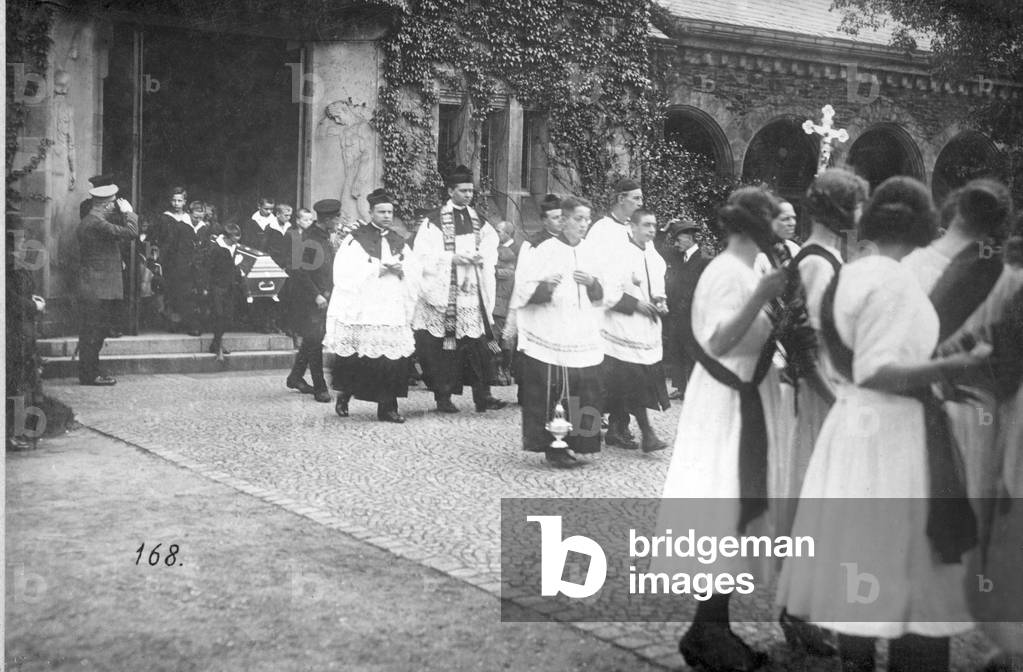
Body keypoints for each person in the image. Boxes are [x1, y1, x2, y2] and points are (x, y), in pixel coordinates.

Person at [777, 176, 984, 672]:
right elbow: (877, 369)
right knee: (909, 571)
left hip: (855, 427)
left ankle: (860, 659)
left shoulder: (852, 272)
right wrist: (952, 367)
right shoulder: (891, 279)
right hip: (892, 434)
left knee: (864, 559)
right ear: (922, 223)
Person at [657, 187, 788, 671]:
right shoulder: (726, 272)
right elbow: (716, 339)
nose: (780, 230)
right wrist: (761, 297)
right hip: (726, 404)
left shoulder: (749, 269)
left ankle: (712, 627)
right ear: (756, 225)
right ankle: (707, 630)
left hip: (747, 398)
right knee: (722, 504)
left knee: (737, 509)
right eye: (773, 221)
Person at [774, 169, 869, 541]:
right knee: (813, 481)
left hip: (829, 383)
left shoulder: (828, 256)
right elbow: (803, 343)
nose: (861, 213)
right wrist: (833, 399)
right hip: (819, 392)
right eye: (857, 204)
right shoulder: (816, 262)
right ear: (839, 209)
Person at [514, 196, 605, 467]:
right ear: (563, 220)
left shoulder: (592, 251)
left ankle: (581, 444)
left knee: (585, 388)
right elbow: (522, 290)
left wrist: (592, 283)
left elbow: (605, 292)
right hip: (552, 332)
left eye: (587, 219)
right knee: (553, 391)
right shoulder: (543, 249)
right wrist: (545, 287)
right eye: (578, 219)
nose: (584, 224)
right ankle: (555, 448)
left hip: (582, 334)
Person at [411, 164, 506, 413]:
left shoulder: (478, 220)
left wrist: (479, 257)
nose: (468, 195)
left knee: (477, 346)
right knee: (445, 348)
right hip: (445, 292)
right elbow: (422, 254)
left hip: (471, 292)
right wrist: (450, 258)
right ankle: (443, 398)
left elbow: (490, 243)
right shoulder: (433, 221)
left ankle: (482, 395)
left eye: (471, 191)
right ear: (450, 191)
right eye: (463, 190)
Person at [326, 189, 419, 423]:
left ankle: (388, 407)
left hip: (391, 304)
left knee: (390, 358)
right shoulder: (356, 239)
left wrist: (402, 270)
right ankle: (344, 395)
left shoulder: (399, 240)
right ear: (371, 212)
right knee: (357, 355)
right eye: (381, 211)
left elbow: (414, 271)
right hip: (365, 305)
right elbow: (344, 273)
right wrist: (376, 269)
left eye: (390, 212)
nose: (387, 216)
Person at [600, 208, 670, 453]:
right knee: (633, 382)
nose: (652, 230)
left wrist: (660, 301)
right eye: (646, 225)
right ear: (633, 227)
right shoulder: (619, 254)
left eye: (654, 225)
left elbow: (658, 285)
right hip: (622, 329)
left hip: (646, 331)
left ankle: (615, 430)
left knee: (625, 384)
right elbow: (607, 293)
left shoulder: (653, 255)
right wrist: (636, 304)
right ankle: (647, 435)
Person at [75, 184, 139, 385]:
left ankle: (89, 372)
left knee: (94, 332)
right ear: (107, 204)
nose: (116, 205)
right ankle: (90, 374)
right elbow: (131, 232)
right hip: (97, 288)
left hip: (95, 287)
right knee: (94, 333)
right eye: (114, 202)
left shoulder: (93, 221)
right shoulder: (96, 224)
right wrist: (129, 213)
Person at [284, 203, 336, 403]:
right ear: (327, 220)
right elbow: (298, 270)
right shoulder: (308, 239)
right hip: (309, 298)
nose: (339, 222)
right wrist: (316, 294)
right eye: (336, 218)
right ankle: (320, 387)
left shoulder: (322, 237)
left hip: (323, 296)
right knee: (315, 341)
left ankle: (295, 377)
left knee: (313, 338)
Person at [7, 215, 47, 449]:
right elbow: (9, 299)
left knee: (25, 379)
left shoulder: (16, 263)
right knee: (15, 381)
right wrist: (33, 306)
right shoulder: (7, 265)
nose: (23, 244)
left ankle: (23, 431)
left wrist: (31, 299)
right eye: (18, 239)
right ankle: (13, 434)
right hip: (13, 332)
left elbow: (19, 292)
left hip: (23, 332)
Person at [663, 218, 712, 401]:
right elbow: (658, 250)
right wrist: (664, 229)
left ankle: (694, 389)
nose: (676, 243)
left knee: (692, 352)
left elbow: (706, 290)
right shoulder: (677, 257)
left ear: (690, 237)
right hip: (676, 314)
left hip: (693, 315)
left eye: (678, 238)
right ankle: (681, 388)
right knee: (676, 351)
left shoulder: (704, 259)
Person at [160, 193, 210, 336]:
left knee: (197, 297)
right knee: (184, 296)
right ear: (190, 213)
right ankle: (189, 325)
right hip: (181, 268)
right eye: (195, 217)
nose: (197, 220)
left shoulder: (204, 229)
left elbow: (206, 248)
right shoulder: (180, 227)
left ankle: (194, 323)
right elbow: (171, 246)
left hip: (198, 269)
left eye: (201, 218)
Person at [202, 221, 244, 361]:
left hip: (230, 286)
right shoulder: (215, 248)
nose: (236, 243)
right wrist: (206, 287)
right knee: (219, 315)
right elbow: (208, 268)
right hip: (217, 286)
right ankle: (218, 346)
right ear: (226, 237)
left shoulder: (233, 247)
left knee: (227, 316)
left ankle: (216, 343)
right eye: (234, 240)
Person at [585, 177, 644, 268]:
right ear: (621, 199)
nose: (641, 203)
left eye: (641, 199)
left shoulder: (636, 229)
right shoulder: (601, 228)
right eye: (636, 198)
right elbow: (589, 263)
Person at [492, 220, 518, 386]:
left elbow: (505, 274)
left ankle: (502, 370)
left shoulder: (510, 254)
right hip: (500, 305)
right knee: (501, 342)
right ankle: (500, 372)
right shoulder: (498, 251)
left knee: (503, 342)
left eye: (499, 231)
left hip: (503, 306)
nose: (496, 234)